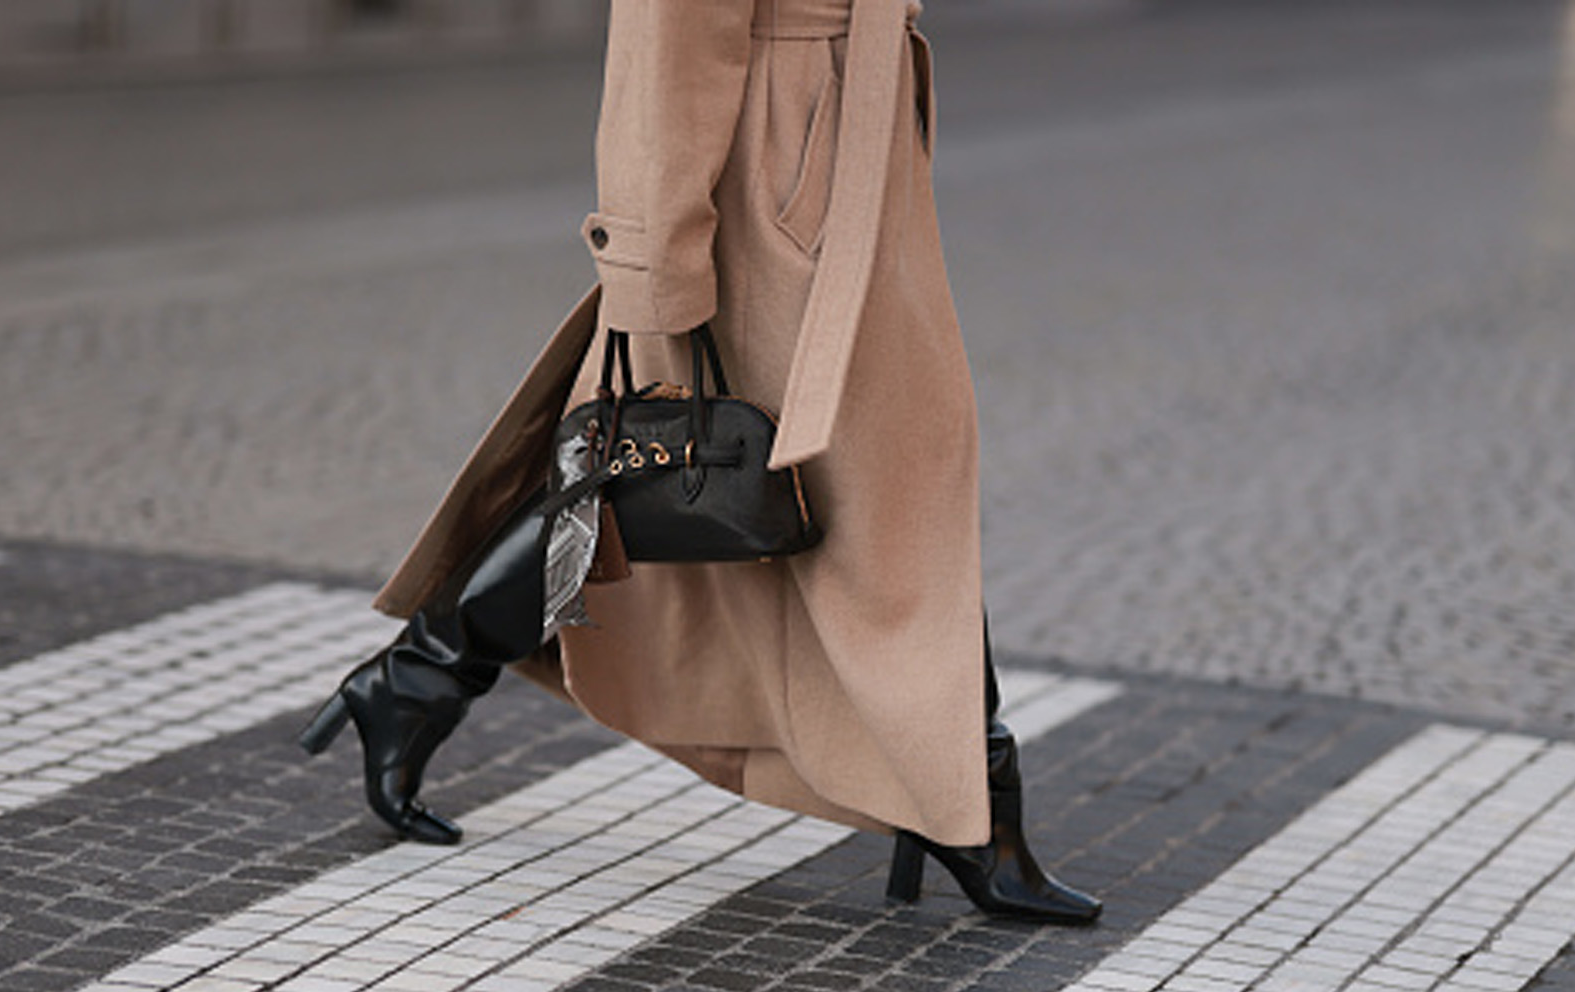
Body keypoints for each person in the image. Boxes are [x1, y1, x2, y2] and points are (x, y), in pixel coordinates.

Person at [301, 0, 1100, 925]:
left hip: (844, 139)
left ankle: (417, 682)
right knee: (682, 476)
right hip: (765, 172)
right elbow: (666, 35)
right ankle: (971, 806)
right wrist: (653, 262)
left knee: (858, 477)